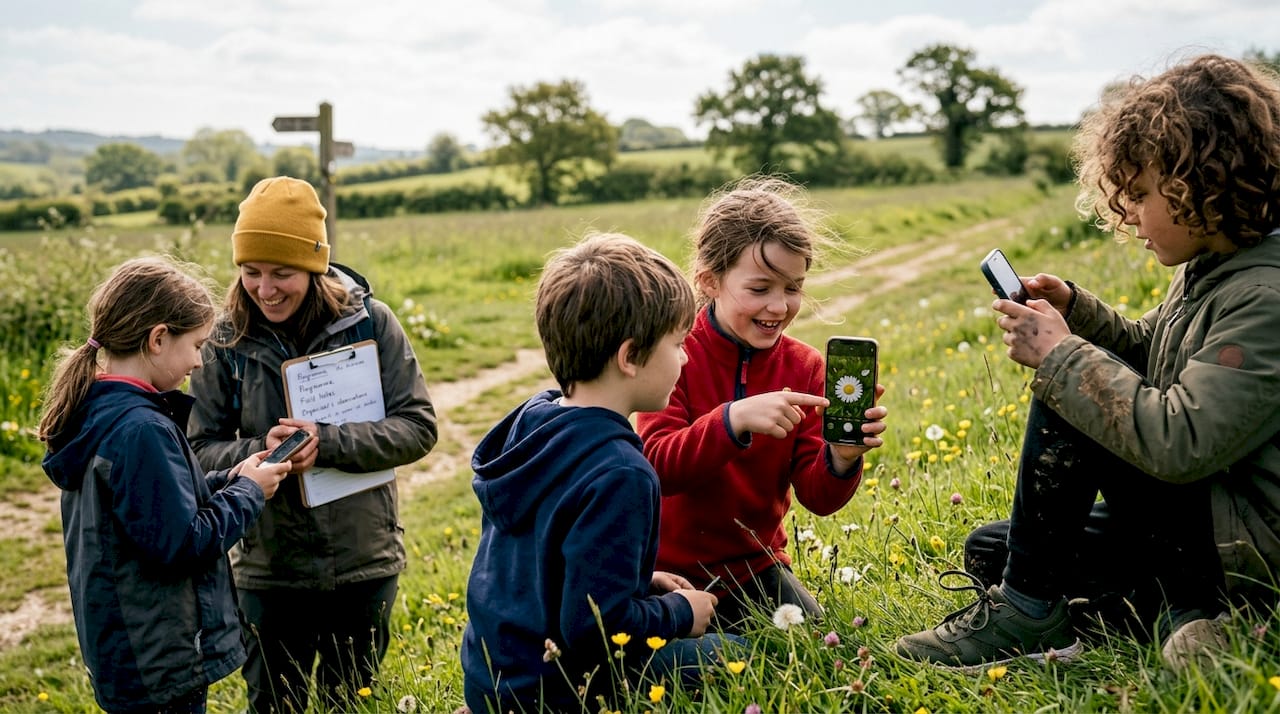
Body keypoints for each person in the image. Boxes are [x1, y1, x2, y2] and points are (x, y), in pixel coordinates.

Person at [895, 53, 1280, 673]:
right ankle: (1172, 610)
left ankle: (1190, 616)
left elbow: (1181, 440)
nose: (1127, 214)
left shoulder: (1265, 297)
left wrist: (1062, 355)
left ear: (1202, 183)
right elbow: (1153, 353)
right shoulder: (1213, 265)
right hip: (1205, 514)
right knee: (992, 549)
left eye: (1142, 194)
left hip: (1247, 545)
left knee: (1072, 388)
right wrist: (1079, 313)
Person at [461, 233, 742, 713]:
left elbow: (544, 568)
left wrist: (640, 582)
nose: (687, 357)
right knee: (739, 657)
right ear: (630, 357)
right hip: (557, 692)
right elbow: (595, 631)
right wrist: (678, 613)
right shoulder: (622, 473)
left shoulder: (535, 425)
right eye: (678, 344)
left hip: (494, 680)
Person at [186, 176, 438, 712]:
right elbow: (199, 448)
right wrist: (261, 450)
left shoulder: (370, 323)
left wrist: (328, 443)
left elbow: (418, 426)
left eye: (282, 272)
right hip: (268, 568)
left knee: (351, 701)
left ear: (316, 267)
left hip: (363, 560)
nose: (266, 288)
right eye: (251, 272)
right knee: (274, 704)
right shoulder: (224, 342)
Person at [636, 177, 889, 632]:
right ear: (710, 281)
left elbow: (818, 498)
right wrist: (733, 420)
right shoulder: (674, 355)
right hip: (665, 574)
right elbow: (656, 466)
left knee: (813, 645)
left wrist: (842, 457)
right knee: (691, 665)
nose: (779, 305)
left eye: (793, 287)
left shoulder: (805, 367)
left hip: (755, 567)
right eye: (760, 289)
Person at [40, 256, 290, 714]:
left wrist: (229, 479)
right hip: (159, 657)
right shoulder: (141, 429)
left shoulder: (99, 410)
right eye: (195, 345)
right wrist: (250, 493)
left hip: (129, 647)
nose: (198, 360)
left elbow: (149, 506)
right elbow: (183, 541)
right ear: (158, 339)